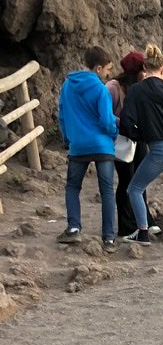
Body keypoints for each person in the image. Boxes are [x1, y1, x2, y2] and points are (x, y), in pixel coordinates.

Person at [118, 43, 163, 249]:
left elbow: (126, 122)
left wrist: (141, 135)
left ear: (144, 69)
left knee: (134, 188)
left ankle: (142, 232)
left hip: (161, 147)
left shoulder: (136, 90)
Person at [56, 45, 119, 250]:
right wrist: (113, 134)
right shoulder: (101, 89)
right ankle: (109, 239)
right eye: (108, 69)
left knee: (73, 187)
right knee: (107, 191)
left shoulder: (67, 86)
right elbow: (107, 120)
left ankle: (74, 228)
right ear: (98, 68)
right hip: (102, 145)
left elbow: (62, 115)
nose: (108, 74)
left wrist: (68, 139)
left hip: (78, 145)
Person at [106, 50, 161, 240]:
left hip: (139, 138)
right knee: (126, 180)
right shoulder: (113, 88)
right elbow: (105, 114)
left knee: (140, 180)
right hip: (121, 139)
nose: (146, 73)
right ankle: (126, 225)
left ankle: (144, 220)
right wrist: (123, 123)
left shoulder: (141, 86)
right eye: (143, 69)